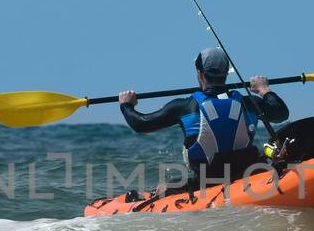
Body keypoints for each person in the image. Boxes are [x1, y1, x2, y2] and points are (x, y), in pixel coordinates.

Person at [118, 47, 290, 191]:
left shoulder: (184, 107)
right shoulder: (249, 103)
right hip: (250, 173)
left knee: (162, 187)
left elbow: (141, 124)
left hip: (206, 183)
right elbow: (281, 113)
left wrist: (126, 105)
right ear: (226, 73)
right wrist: (264, 90)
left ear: (199, 73)